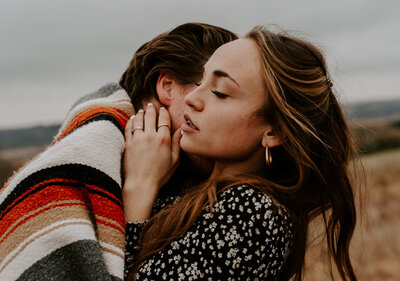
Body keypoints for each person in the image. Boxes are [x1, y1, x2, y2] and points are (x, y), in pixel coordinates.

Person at [0, 23, 237, 281]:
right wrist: (141, 185)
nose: (227, 118)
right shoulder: (80, 164)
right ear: (167, 86)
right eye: (217, 93)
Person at [123, 26, 358, 280]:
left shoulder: (255, 214)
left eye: (219, 92)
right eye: (201, 80)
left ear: (275, 132)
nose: (192, 98)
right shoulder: (194, 185)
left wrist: (140, 185)